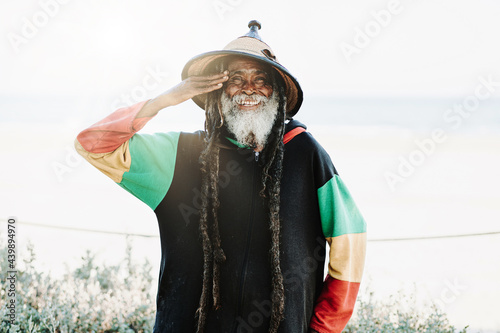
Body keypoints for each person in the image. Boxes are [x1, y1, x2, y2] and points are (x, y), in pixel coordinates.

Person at [75, 20, 367, 333]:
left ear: (278, 92)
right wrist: (166, 99)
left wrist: (322, 329)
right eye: (235, 79)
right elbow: (93, 145)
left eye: (261, 79)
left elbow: (350, 237)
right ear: (218, 90)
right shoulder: (180, 154)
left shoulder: (304, 153)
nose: (249, 88)